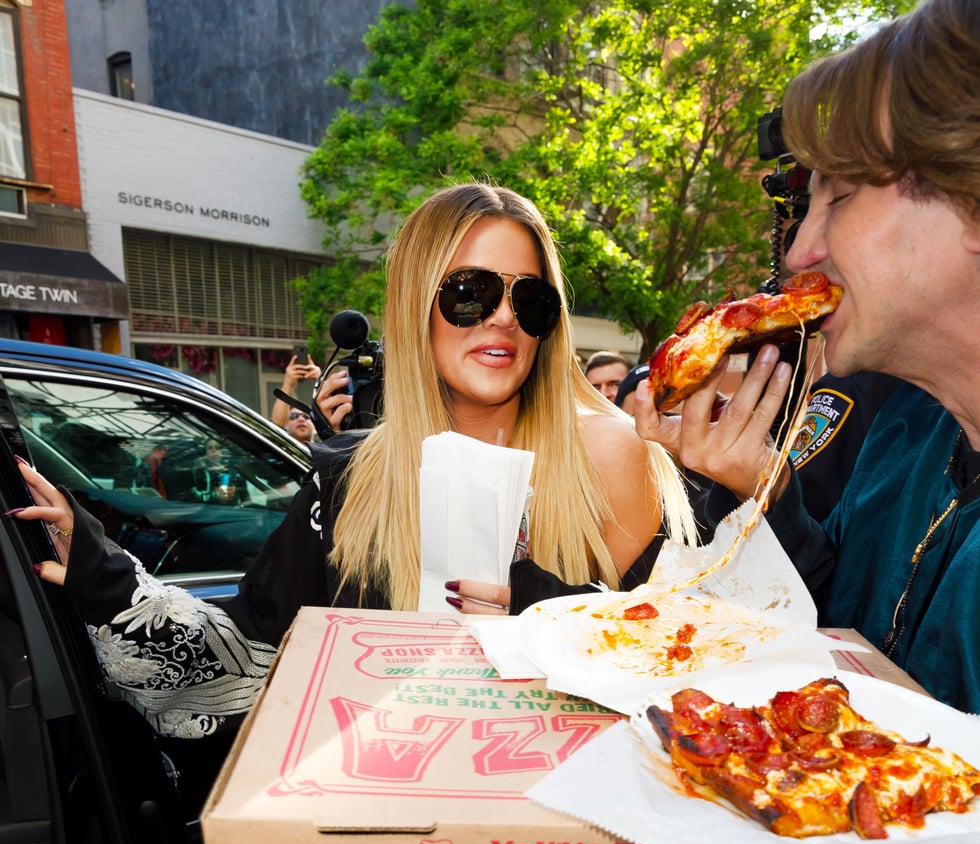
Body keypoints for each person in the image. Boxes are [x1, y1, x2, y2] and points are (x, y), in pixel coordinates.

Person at [10, 182, 697, 742]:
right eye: (470, 292)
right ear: (413, 305)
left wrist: (542, 615)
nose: (503, 319)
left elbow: (667, 670)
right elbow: (250, 654)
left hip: (561, 840)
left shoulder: (605, 456)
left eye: (529, 297)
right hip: (385, 818)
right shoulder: (351, 478)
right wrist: (97, 571)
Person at [634, 0, 980, 714]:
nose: (798, 252)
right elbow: (835, 637)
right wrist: (762, 486)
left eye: (841, 197)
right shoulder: (906, 433)